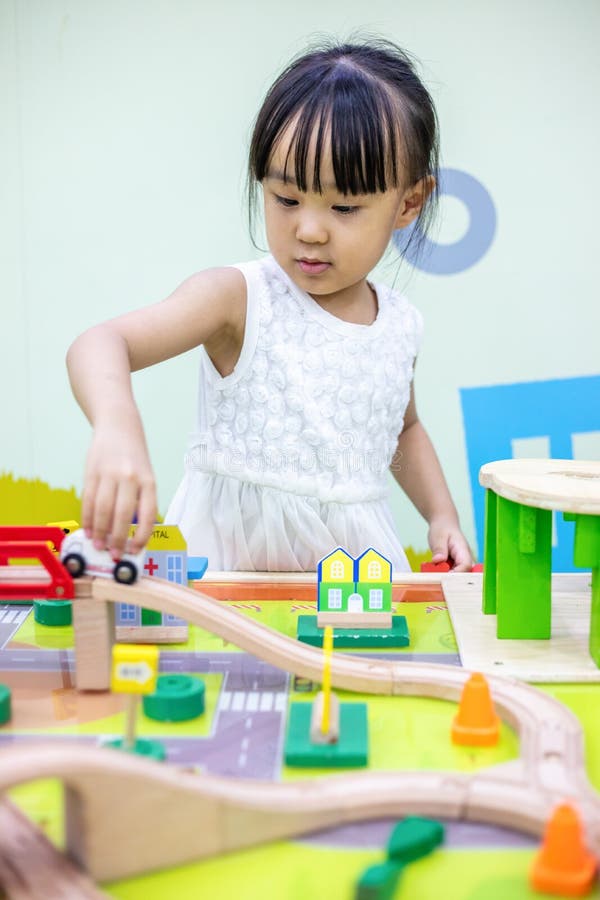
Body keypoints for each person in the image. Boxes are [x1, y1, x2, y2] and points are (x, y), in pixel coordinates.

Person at [67, 38, 473, 573]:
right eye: (286, 199)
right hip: (229, 579)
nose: (308, 229)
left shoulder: (399, 325)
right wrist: (117, 427)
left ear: (409, 203)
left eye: (344, 206)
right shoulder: (237, 299)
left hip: (353, 577)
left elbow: (402, 432)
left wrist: (441, 514)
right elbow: (100, 344)